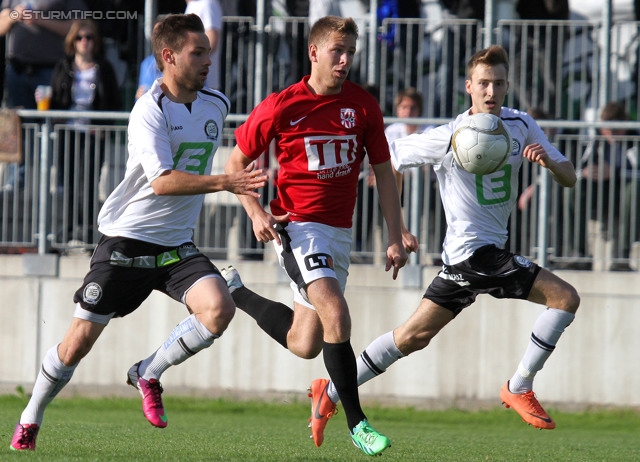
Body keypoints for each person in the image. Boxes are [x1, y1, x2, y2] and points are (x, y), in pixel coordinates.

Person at [9, 13, 267, 451]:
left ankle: (148, 371)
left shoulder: (216, 103)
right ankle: (30, 418)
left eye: (208, 50)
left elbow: (233, 166)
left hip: (176, 244)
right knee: (76, 345)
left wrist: (255, 210)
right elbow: (162, 181)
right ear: (169, 57)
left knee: (219, 309)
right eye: (197, 52)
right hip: (127, 240)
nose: (209, 58)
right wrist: (227, 183)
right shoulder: (149, 109)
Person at [307, 45, 581, 443]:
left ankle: (328, 392)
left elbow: (570, 176)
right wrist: (396, 229)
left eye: (499, 83)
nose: (491, 91)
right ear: (469, 86)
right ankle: (519, 386)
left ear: (507, 86)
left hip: (468, 260)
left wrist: (552, 164)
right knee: (565, 298)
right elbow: (390, 157)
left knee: (411, 337)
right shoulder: (450, 136)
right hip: (477, 255)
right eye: (483, 83)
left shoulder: (521, 124)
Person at [223, 16, 408, 457]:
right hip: (298, 228)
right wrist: (254, 210)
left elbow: (384, 172)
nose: (345, 61)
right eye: (337, 51)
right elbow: (234, 164)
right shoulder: (282, 105)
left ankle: (236, 293)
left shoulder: (363, 106)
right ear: (314, 52)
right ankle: (358, 424)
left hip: (338, 235)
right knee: (337, 314)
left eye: (351, 53)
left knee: (305, 344)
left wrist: (396, 235)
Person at [0, 0, 87, 191]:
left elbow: (77, 27)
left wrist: (40, 20)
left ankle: (60, 183)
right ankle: (16, 181)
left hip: (51, 71)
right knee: (17, 126)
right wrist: (15, 15)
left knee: (56, 125)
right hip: (17, 70)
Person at [49, 19, 121, 244]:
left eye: (89, 37)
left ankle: (89, 229)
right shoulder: (63, 65)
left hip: (92, 132)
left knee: (90, 181)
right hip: (68, 131)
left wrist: (103, 127)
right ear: (73, 41)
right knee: (69, 180)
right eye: (80, 38)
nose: (85, 42)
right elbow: (54, 98)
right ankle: (70, 229)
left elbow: (113, 102)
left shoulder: (104, 67)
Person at [576, 101, 640, 271]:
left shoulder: (635, 140)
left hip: (626, 194)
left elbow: (637, 173)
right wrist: (586, 172)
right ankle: (577, 253)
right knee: (573, 189)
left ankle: (622, 256)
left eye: (615, 129)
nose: (610, 134)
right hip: (600, 193)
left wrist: (614, 172)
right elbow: (577, 169)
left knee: (633, 190)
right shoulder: (596, 140)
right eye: (606, 129)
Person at [185, 0, 223, 90]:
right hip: (191, 82)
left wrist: (191, 61)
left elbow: (212, 41)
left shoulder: (208, 4)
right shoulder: (192, 5)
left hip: (205, 84)